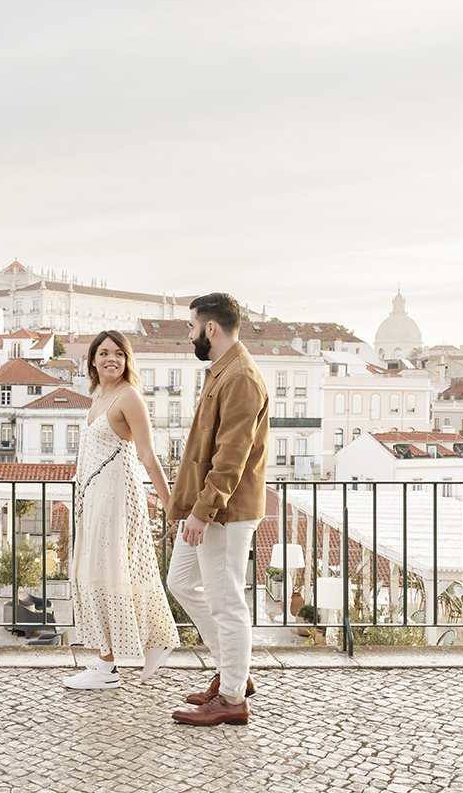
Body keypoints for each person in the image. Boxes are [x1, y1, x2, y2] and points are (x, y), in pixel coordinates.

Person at [166, 292, 269, 726]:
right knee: (181, 581)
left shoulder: (240, 377)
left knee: (228, 603)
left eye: (192, 327)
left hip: (224, 511)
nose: (190, 336)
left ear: (211, 328)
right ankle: (233, 671)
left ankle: (231, 698)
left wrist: (202, 511)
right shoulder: (221, 371)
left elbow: (232, 457)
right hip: (208, 507)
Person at [63, 329, 179, 690]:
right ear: (93, 360)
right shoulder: (98, 396)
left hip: (117, 497)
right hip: (94, 497)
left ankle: (111, 664)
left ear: (127, 360)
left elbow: (147, 455)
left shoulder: (129, 397)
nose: (111, 359)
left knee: (111, 571)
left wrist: (171, 506)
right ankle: (116, 656)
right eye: (104, 353)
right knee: (94, 571)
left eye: (118, 353)